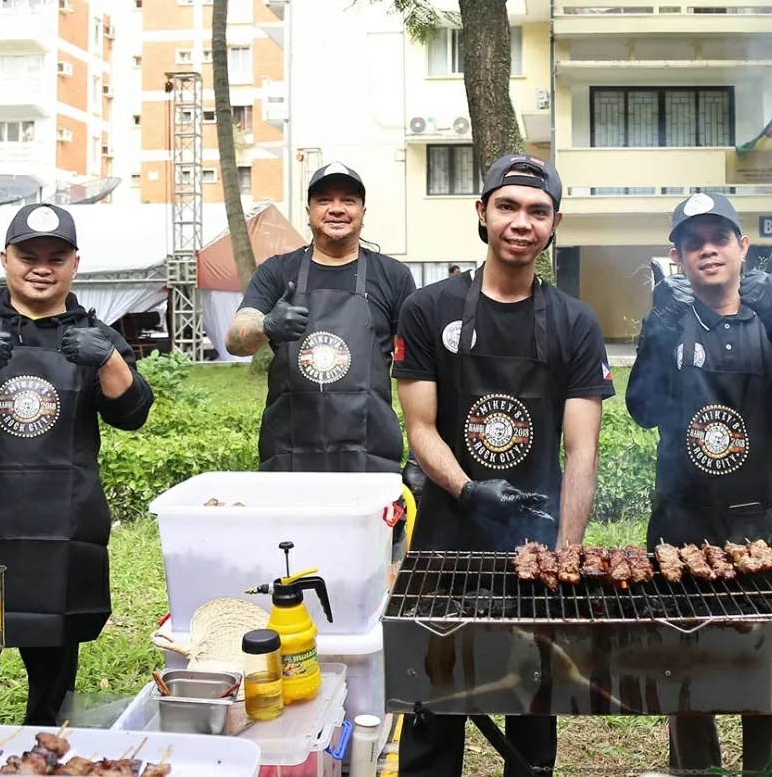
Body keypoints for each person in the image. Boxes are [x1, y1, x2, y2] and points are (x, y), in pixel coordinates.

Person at [391, 154, 614, 777]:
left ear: (555, 224)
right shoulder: (429, 310)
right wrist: (468, 490)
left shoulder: (575, 322)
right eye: (508, 206)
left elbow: (582, 451)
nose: (522, 221)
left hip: (535, 546)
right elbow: (422, 428)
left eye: (538, 211)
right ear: (482, 214)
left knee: (532, 711)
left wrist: (565, 556)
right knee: (435, 708)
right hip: (443, 544)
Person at [0, 203, 154, 726]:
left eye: (55, 256)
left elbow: (133, 413)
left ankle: (46, 756)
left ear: (75, 264)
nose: (42, 266)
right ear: (5, 259)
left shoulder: (97, 335)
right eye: (29, 255)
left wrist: (106, 356)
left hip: (63, 529)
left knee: (53, 681)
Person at [625, 192, 772, 772]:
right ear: (678, 255)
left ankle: (763, 770)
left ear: (743, 246)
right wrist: (654, 336)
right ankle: (696, 771)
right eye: (694, 242)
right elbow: (641, 410)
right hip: (680, 521)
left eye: (720, 237)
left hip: (762, 521)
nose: (708, 250)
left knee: (764, 668)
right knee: (686, 670)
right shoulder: (671, 320)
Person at [223, 162, 416, 473]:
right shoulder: (276, 272)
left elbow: (414, 368)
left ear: (363, 211)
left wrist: (419, 456)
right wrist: (267, 325)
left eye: (348, 200)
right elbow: (235, 341)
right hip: (289, 452)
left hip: (369, 454)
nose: (336, 209)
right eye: (324, 200)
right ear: (309, 210)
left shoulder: (393, 276)